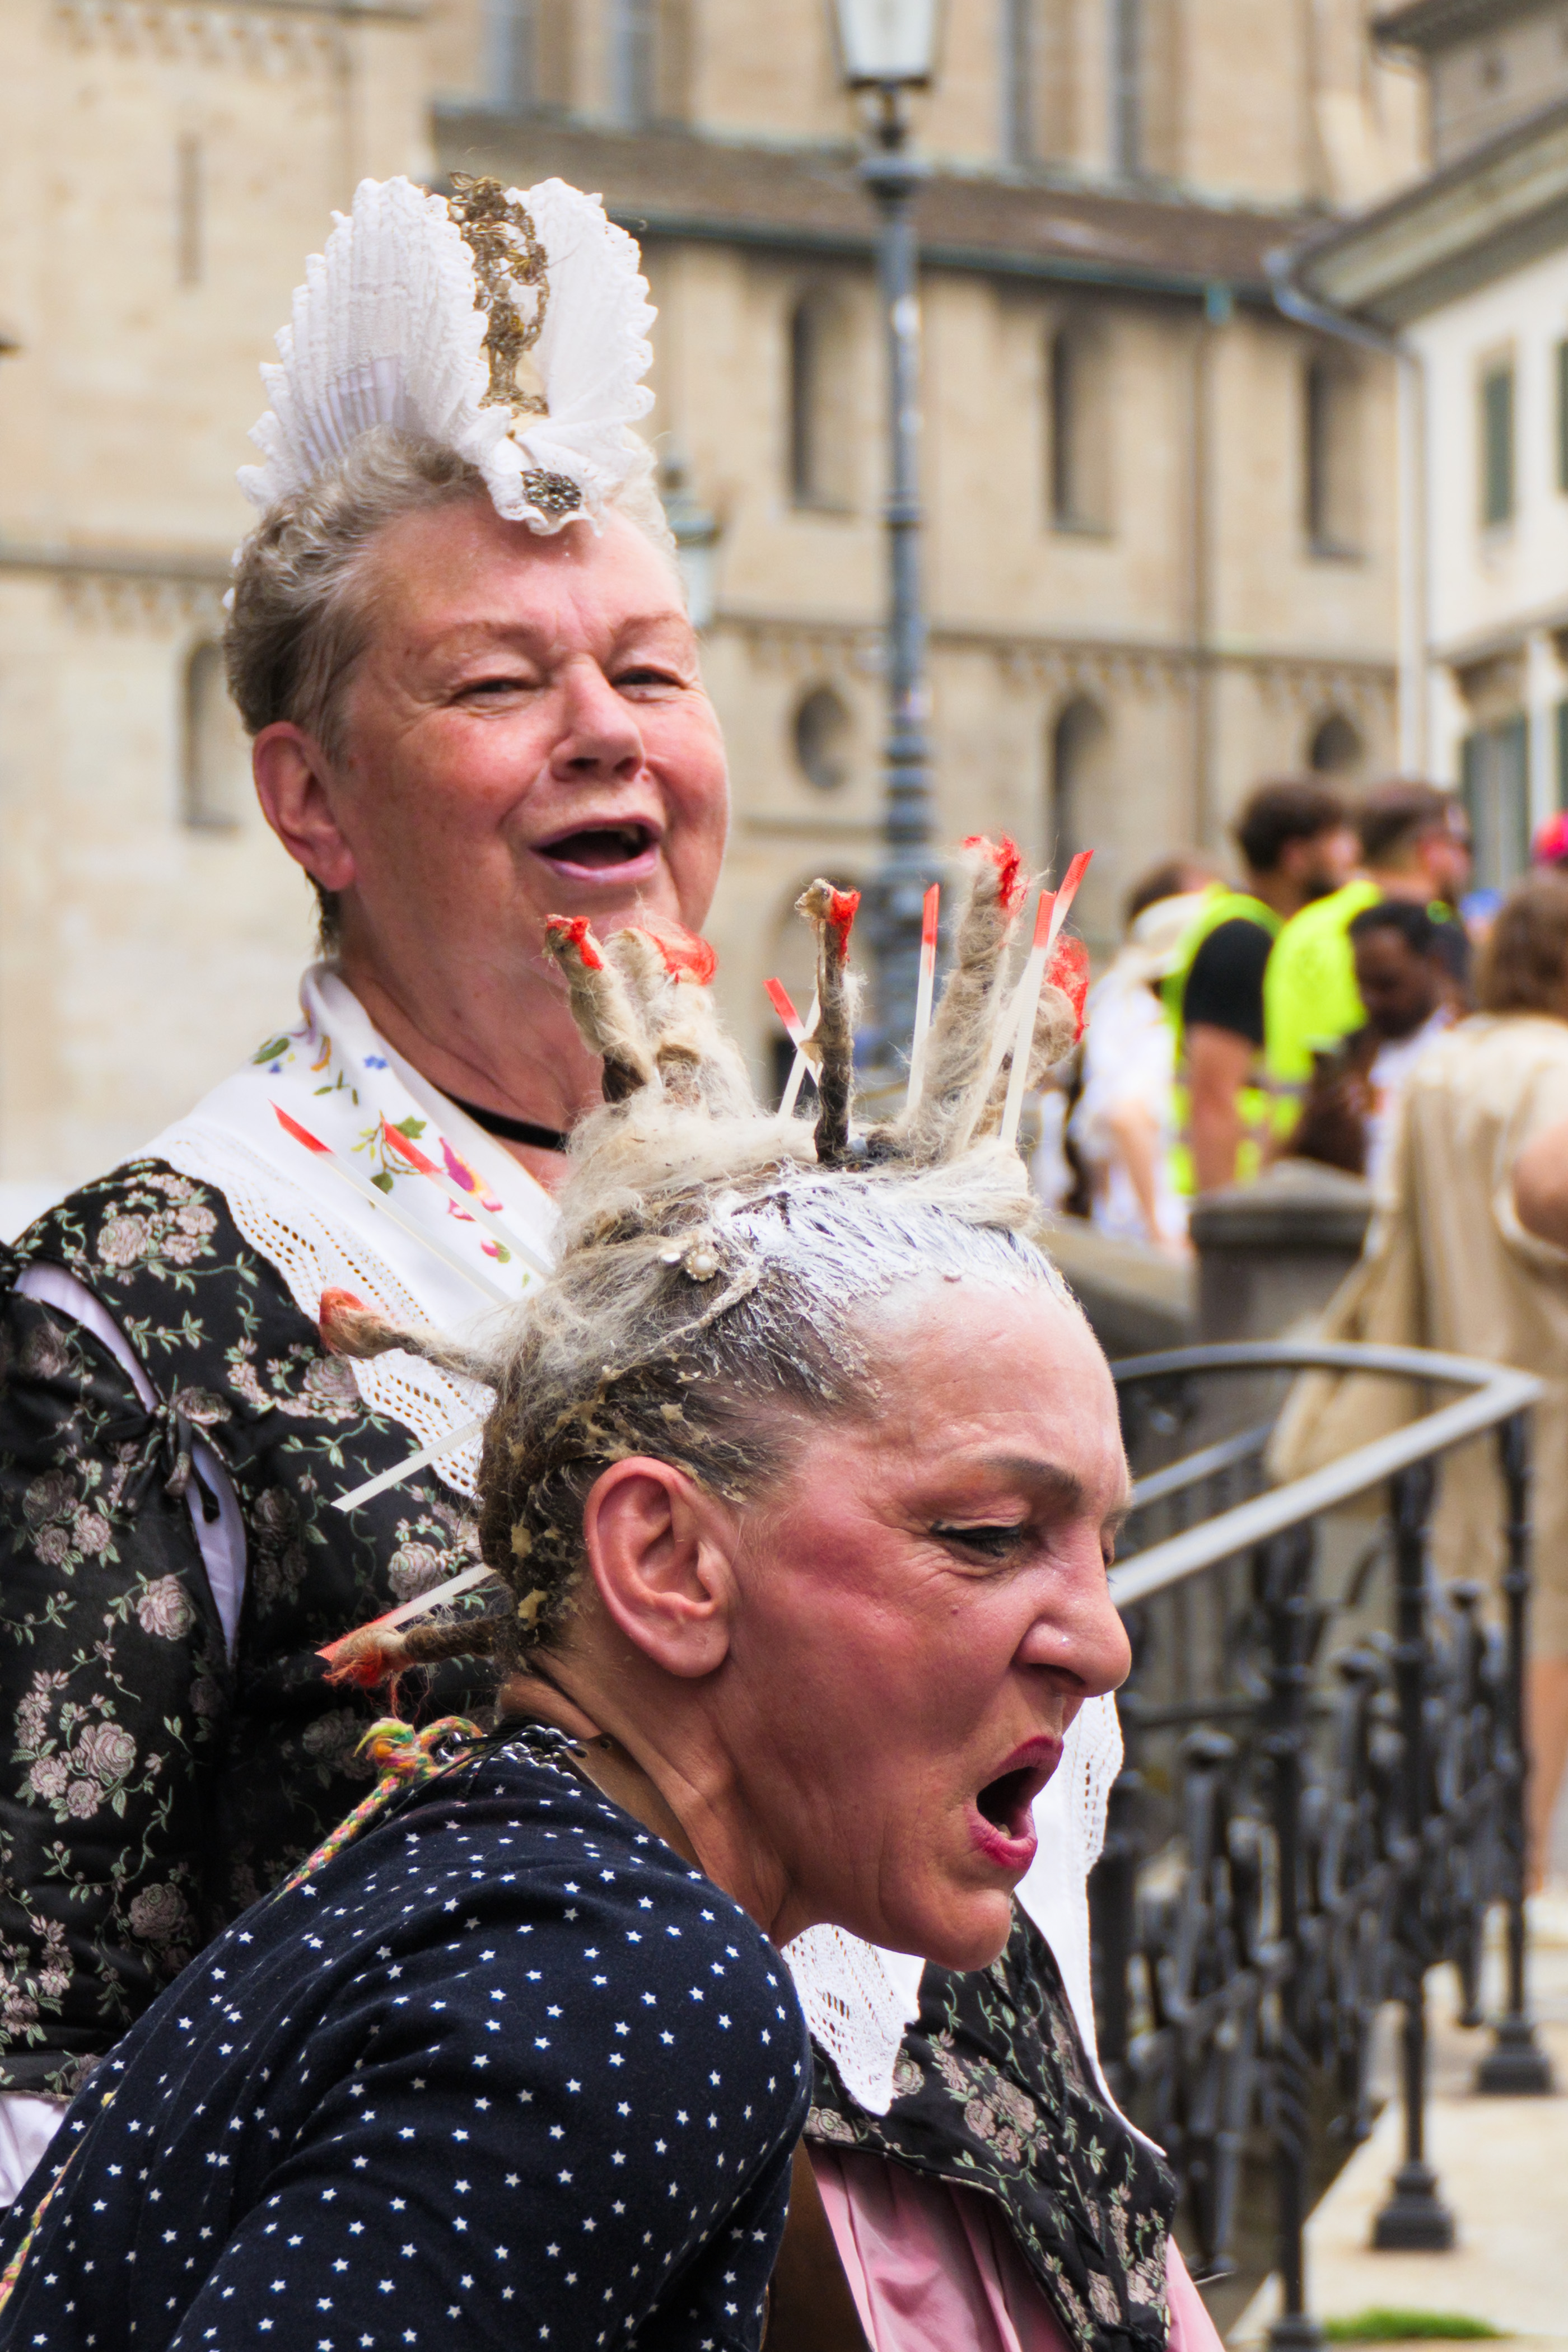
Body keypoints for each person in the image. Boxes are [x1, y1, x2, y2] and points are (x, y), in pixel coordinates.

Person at [0, 860, 1219, 2352]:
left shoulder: (496, 1875)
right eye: (985, 1535)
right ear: (665, 1562)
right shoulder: (626, 1980)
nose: (1102, 1643)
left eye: (1100, 1544)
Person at [0, 174, 729, 2186]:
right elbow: (31, 2026)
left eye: (650, 673)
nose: (604, 731)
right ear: (308, 797)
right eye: (499, 684)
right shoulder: (138, 1313)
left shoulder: (835, 1226)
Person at [1276, 871, 1568, 1888]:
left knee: (1474, 1608)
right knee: (1546, 1621)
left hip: (1457, 1378)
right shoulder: (1558, 1067)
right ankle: (1519, 1861)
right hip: (1553, 1381)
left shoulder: (1446, 1066)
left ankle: (1460, 1848)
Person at [1165, 781, 1356, 1193]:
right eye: (1337, 843)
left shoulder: (1269, 934)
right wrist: (1224, 1223)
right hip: (1241, 1194)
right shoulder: (1242, 941)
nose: (1351, 857)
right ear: (1296, 857)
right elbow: (1214, 1096)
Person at [1264, 780, 1472, 1107]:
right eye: (1461, 844)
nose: (1466, 860)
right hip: (1392, 1134)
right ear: (1430, 850)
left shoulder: (1302, 927)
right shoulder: (1432, 930)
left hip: (1302, 1136)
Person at [1070, 871, 1211, 1249]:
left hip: (1131, 1222)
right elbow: (1128, 1114)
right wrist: (1161, 1231)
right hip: (1155, 1231)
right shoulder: (1149, 1013)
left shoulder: (1118, 999)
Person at [1287, 901, 1454, 1188]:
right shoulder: (1352, 1053)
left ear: (1434, 964)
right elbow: (1302, 1163)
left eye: (1387, 984)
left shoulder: (1469, 1045)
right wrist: (1323, 1124)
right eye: (1361, 986)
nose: (1371, 1000)